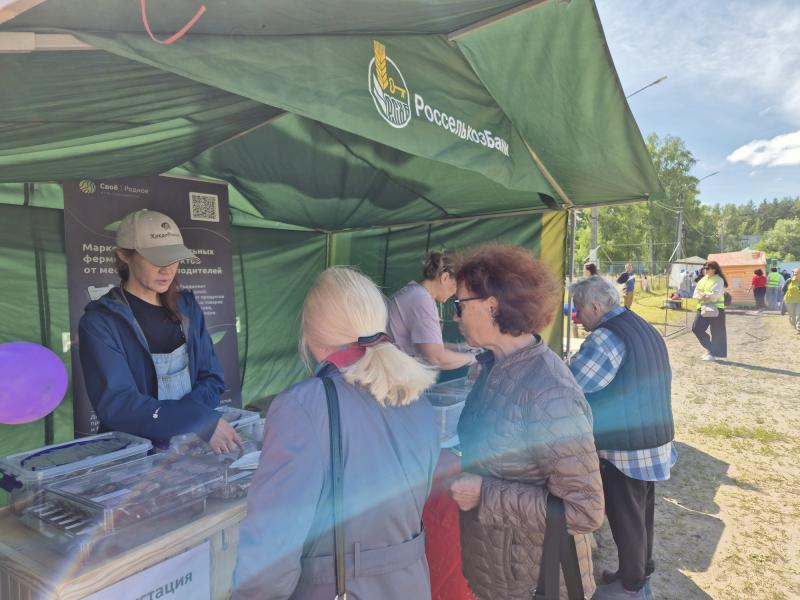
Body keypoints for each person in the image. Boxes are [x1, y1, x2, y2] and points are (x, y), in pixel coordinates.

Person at [233, 267, 439, 600]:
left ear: (310, 334)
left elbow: (271, 552)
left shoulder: (301, 407)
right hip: (411, 586)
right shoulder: (417, 396)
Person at [447, 245, 604, 599]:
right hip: (499, 572)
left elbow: (585, 509)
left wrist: (485, 494)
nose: (455, 316)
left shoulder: (550, 391)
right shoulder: (494, 367)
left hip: (537, 581)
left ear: (492, 306)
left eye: (459, 305)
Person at [78, 209, 242, 453]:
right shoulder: (101, 322)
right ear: (124, 255)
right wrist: (195, 419)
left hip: (191, 447)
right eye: (156, 259)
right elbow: (119, 405)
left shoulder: (187, 307)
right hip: (134, 456)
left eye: (173, 258)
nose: (167, 269)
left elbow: (212, 377)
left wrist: (192, 421)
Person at [569, 276, 676, 600]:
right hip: (653, 437)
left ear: (595, 306)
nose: (576, 317)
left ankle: (630, 587)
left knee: (625, 516)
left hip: (627, 446)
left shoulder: (605, 338)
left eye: (578, 309)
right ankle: (637, 571)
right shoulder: (639, 324)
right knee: (641, 512)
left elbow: (574, 384)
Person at [388, 250, 476, 370]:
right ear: (445, 278)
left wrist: (460, 347)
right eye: (456, 286)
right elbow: (436, 358)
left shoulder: (414, 291)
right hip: (395, 374)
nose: (456, 293)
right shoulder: (422, 300)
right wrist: (471, 358)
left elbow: (429, 345)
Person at [692, 261, 728, 361]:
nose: (705, 270)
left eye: (707, 268)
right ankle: (711, 349)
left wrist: (704, 295)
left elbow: (715, 295)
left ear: (714, 269)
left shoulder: (719, 280)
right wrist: (705, 295)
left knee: (717, 332)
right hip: (702, 308)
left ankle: (712, 353)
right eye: (704, 268)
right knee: (696, 328)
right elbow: (695, 294)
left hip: (716, 309)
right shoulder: (702, 279)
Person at [783, 267, 800, 334]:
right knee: (792, 315)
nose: (795, 274)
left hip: (799, 301)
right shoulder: (789, 280)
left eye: (797, 272)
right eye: (794, 272)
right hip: (789, 300)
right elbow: (783, 289)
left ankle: (798, 329)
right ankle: (795, 326)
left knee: (799, 314)